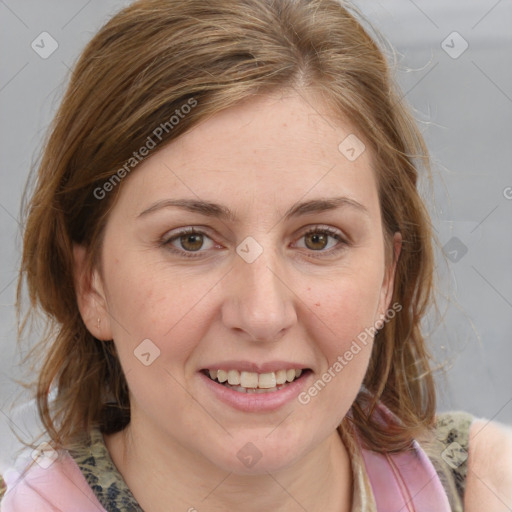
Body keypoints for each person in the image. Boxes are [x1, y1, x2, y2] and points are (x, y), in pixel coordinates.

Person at [1, 0, 511, 510]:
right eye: (191, 240)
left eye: (318, 239)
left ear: (387, 280)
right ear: (90, 283)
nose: (263, 315)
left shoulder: (491, 488)